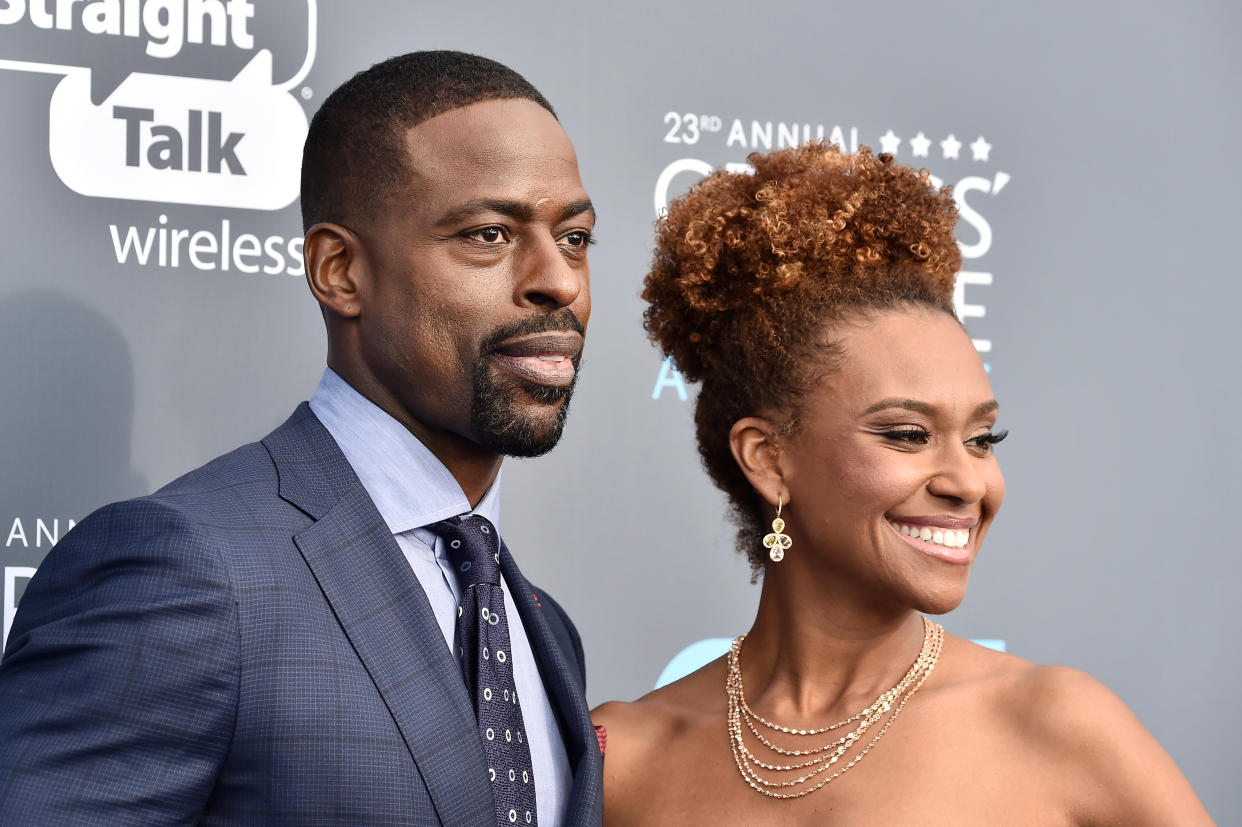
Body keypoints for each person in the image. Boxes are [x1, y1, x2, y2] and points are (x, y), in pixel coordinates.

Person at [0, 51, 603, 826]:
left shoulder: (545, 629)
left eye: (577, 237)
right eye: (490, 234)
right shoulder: (188, 570)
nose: (558, 281)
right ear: (340, 271)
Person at [592, 144, 1213, 825]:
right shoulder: (623, 757)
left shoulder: (1059, 727)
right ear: (768, 457)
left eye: (982, 439)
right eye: (908, 434)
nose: (966, 482)